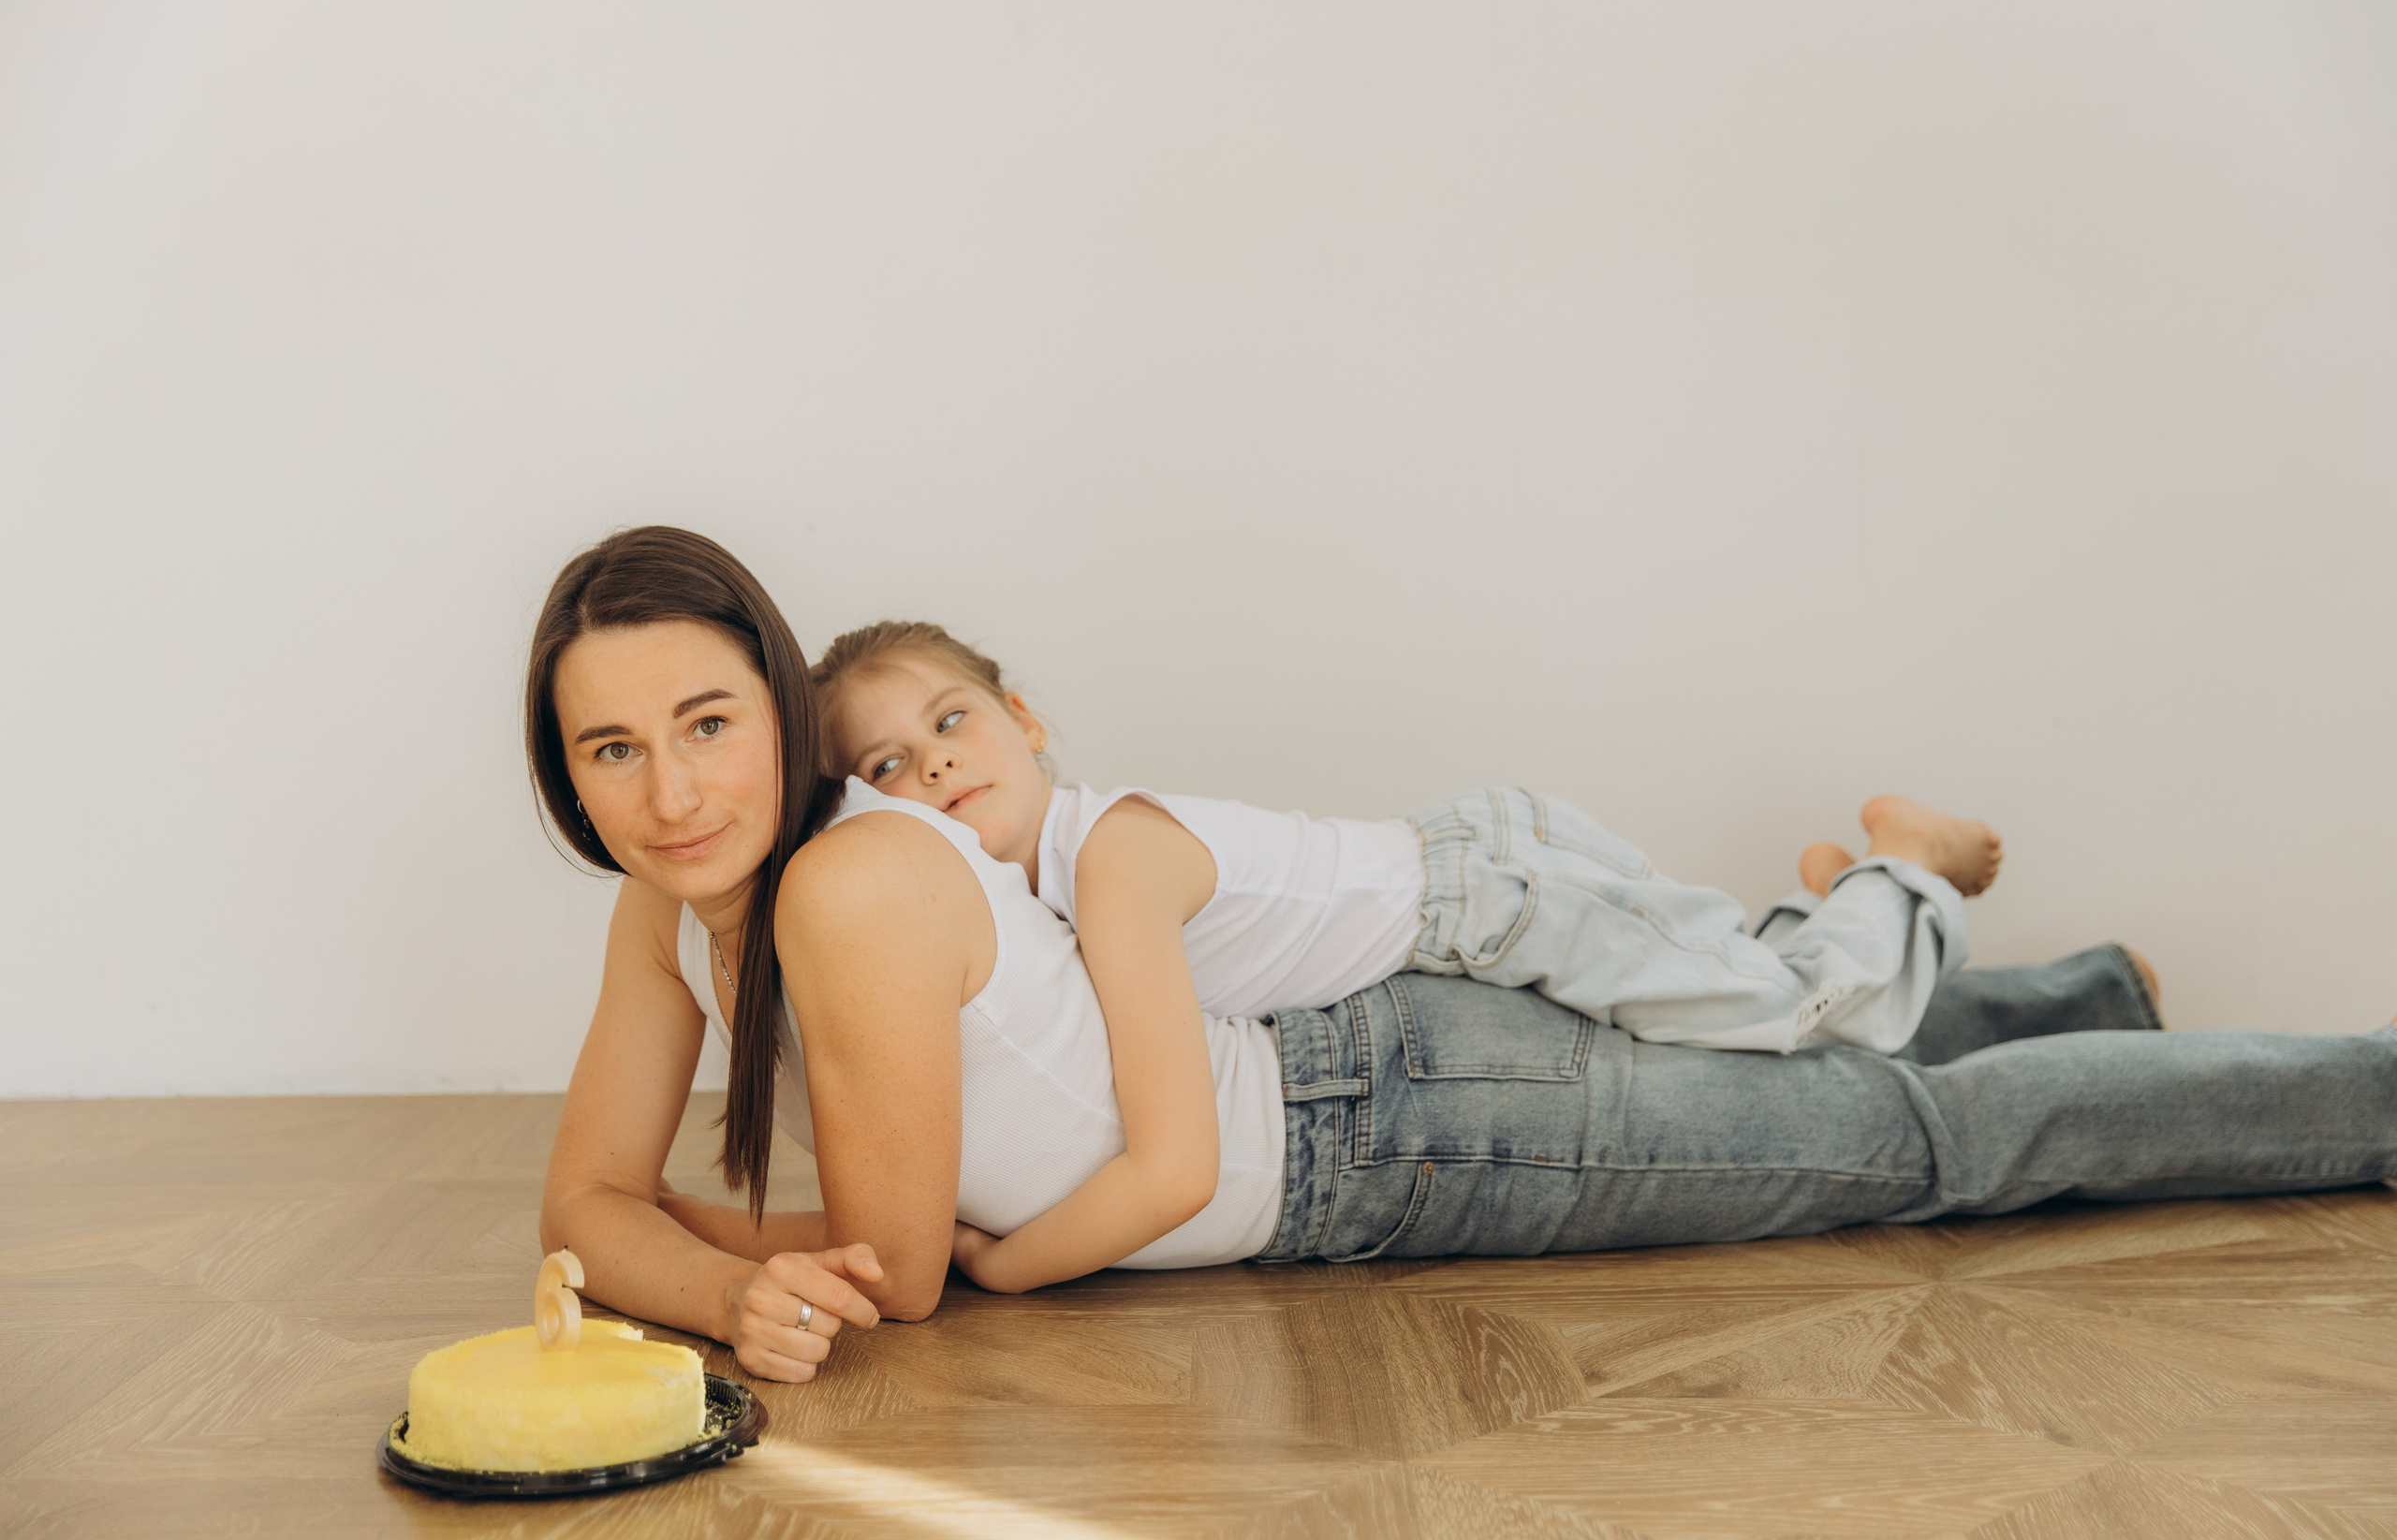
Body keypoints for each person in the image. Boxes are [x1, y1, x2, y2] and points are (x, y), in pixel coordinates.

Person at [531, 526, 2397, 1381]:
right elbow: (588, 1203)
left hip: (1402, 1121)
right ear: (569, 772)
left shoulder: (844, 891)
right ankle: (2087, 999)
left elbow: (907, 1267)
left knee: (1924, 1148)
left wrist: (698, 1258)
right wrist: (699, 1276)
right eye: (612, 746)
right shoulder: (672, 903)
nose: (671, 788)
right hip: (1372, 1070)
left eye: (707, 720)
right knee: (1834, 1081)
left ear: (778, 709)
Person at [807, 618, 2009, 1288]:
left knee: (1796, 1019)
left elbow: (1174, 1162)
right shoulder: (1012, 902)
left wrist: (1011, 1271)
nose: (935, 768)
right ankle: (1817, 911)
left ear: (1025, 725)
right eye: (889, 767)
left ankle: (1901, 867)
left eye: (951, 721)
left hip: (1504, 891)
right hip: (1465, 927)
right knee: (1723, 1008)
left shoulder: (1111, 864)